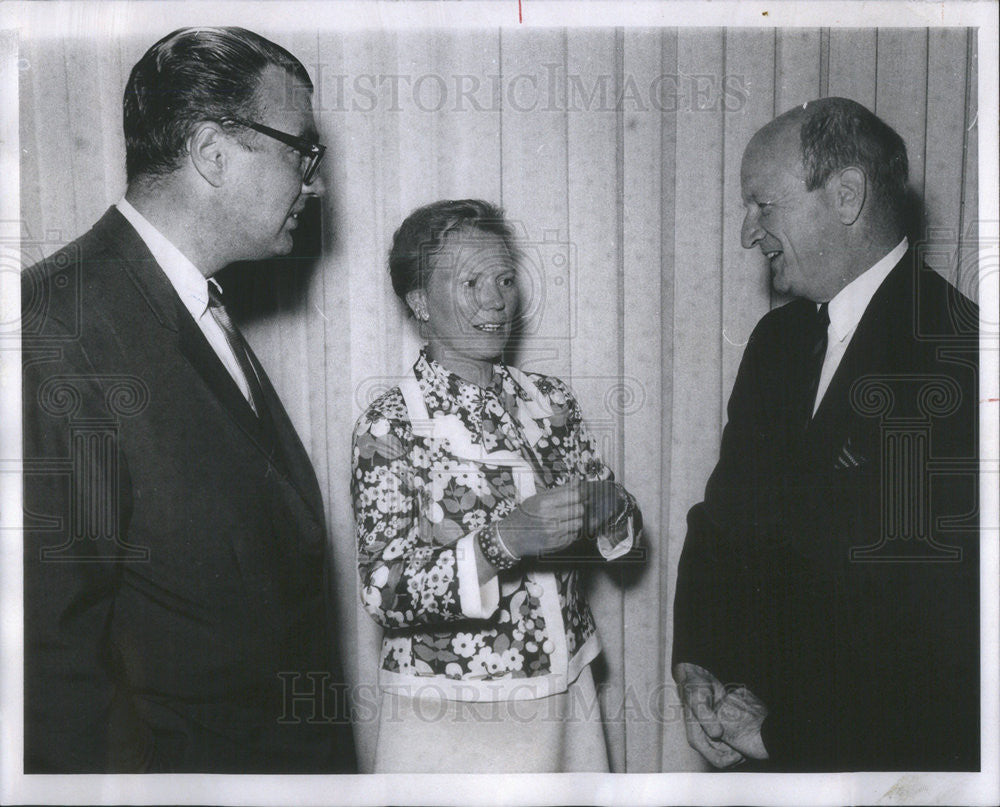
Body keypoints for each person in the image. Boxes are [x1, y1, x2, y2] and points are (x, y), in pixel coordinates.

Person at [22, 27, 356, 772]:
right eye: (302, 149)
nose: (317, 180)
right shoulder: (54, 330)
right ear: (211, 151)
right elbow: (51, 669)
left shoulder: (197, 308)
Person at [672, 97, 979, 771]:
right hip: (761, 754)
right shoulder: (778, 339)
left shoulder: (960, 354)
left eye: (763, 205)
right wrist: (697, 659)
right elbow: (724, 521)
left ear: (846, 194)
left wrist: (787, 735)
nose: (748, 234)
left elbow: (940, 630)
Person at [351, 199, 643, 772]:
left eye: (505, 278)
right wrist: (502, 540)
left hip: (566, 691)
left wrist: (614, 510)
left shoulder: (550, 400)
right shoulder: (389, 424)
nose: (496, 299)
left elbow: (618, 529)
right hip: (450, 712)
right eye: (471, 282)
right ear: (419, 303)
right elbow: (384, 591)